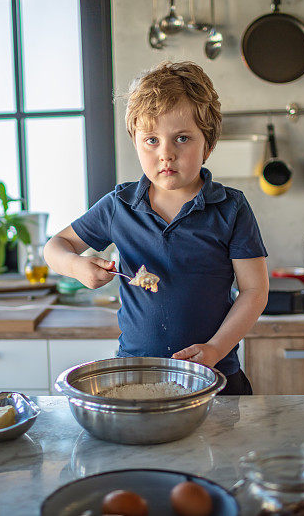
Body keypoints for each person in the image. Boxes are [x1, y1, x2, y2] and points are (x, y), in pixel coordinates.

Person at [44, 61, 268, 395]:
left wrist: (216, 349)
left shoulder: (230, 208)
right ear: (135, 142)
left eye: (182, 138)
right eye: (151, 140)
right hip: (136, 376)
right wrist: (77, 266)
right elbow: (55, 247)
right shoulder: (119, 206)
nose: (166, 154)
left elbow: (254, 291)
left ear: (208, 145)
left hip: (215, 377)